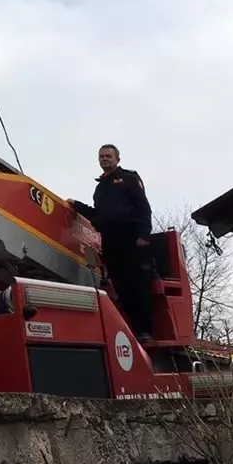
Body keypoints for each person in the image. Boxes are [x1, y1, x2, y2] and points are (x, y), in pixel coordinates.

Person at [69, 144, 155, 341]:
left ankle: (145, 331)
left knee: (136, 285)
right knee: (121, 287)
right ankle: (131, 330)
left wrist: (143, 235)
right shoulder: (100, 188)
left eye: (108, 156)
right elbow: (98, 215)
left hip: (131, 239)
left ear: (117, 159)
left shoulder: (129, 178)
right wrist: (77, 206)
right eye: (101, 157)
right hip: (110, 241)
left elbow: (143, 208)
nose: (104, 159)